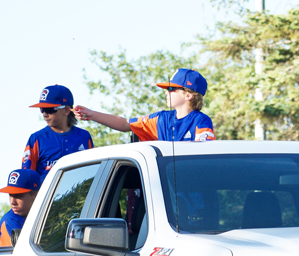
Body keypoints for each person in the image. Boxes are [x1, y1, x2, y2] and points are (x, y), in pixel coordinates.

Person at [74, 68, 215, 143]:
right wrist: (92, 114)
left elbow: (204, 154)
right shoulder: (161, 119)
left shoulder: (201, 121)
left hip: (196, 195)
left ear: (188, 95)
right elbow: (125, 124)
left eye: (172, 89)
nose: (166, 92)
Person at [22, 85, 94, 178]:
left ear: (67, 110)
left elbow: (92, 172)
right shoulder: (37, 139)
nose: (44, 114)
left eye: (49, 109)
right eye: (42, 109)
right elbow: (27, 179)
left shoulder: (84, 136)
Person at [0, 169, 43, 247]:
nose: (12, 202)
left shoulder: (46, 214)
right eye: (10, 195)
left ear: (35, 196)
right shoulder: (10, 220)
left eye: (18, 196)